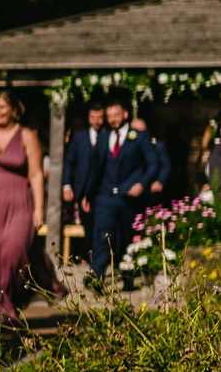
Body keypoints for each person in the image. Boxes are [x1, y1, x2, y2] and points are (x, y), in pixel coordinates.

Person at [0, 90, 45, 314]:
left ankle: (7, 306)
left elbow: (36, 174)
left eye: (2, 107)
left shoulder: (27, 136)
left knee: (13, 255)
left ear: (14, 109)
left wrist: (39, 208)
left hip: (18, 203)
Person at [83, 95, 157, 280]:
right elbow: (95, 169)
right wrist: (88, 195)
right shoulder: (103, 138)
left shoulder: (139, 137)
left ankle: (127, 275)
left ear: (125, 114)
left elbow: (153, 164)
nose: (112, 119)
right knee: (102, 235)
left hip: (129, 198)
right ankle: (97, 276)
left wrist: (142, 183)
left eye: (116, 115)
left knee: (126, 237)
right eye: (109, 116)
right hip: (105, 197)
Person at [63, 98, 106, 240]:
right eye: (93, 118)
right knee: (87, 227)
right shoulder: (79, 138)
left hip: (103, 190)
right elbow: (69, 162)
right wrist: (67, 185)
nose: (96, 122)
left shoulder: (109, 135)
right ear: (88, 118)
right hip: (81, 190)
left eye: (100, 118)